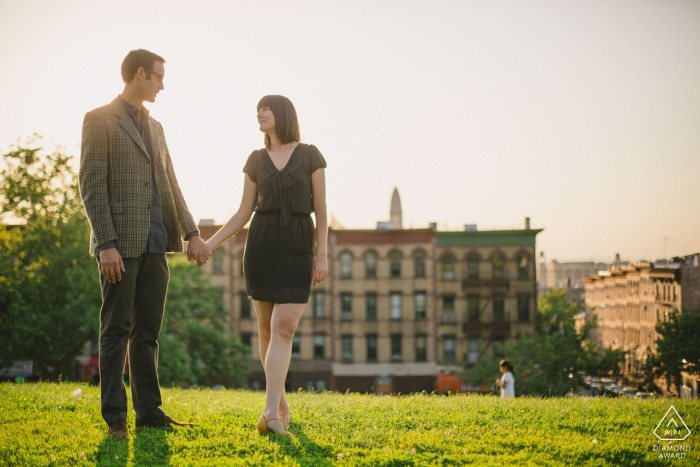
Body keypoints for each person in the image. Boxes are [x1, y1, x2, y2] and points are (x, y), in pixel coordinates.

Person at [79, 49, 210, 439]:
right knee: (116, 328)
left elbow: (170, 184)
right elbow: (91, 185)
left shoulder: (156, 128)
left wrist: (191, 232)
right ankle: (115, 417)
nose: (162, 85)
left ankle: (149, 411)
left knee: (148, 331)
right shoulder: (98, 119)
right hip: (119, 245)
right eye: (158, 77)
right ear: (139, 74)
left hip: (156, 243)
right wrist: (106, 244)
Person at [204, 95, 328, 436]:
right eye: (257, 109)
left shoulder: (310, 155)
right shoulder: (256, 160)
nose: (259, 113)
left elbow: (321, 207)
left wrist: (322, 254)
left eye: (266, 108)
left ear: (282, 114)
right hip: (261, 246)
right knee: (266, 330)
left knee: (284, 327)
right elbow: (244, 212)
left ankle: (269, 414)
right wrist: (210, 244)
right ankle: (280, 404)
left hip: (299, 245)